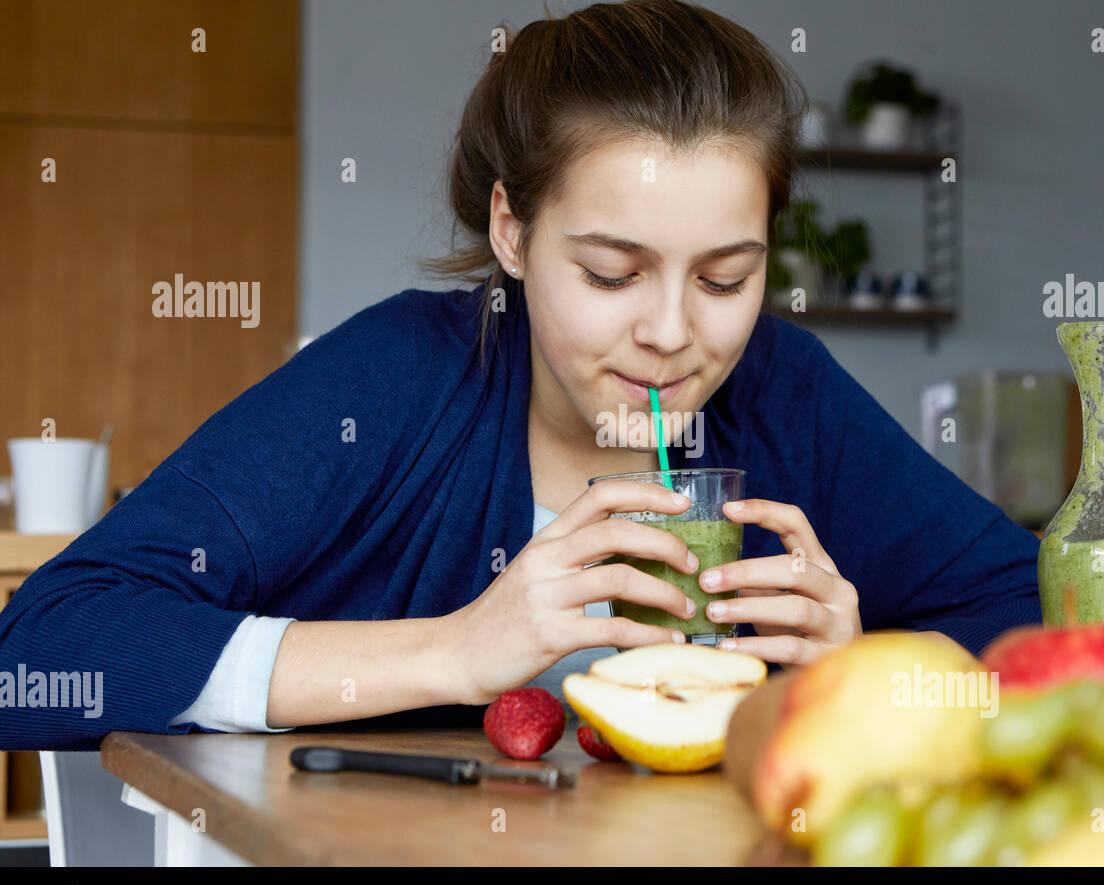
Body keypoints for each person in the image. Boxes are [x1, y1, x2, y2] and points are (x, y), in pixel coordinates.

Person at [0, 0, 1039, 750]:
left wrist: (870, 669)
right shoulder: (399, 379)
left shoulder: (781, 388)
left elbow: (1032, 610)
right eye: (609, 271)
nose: (672, 334)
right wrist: (454, 649)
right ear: (510, 230)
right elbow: (41, 647)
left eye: (726, 278)